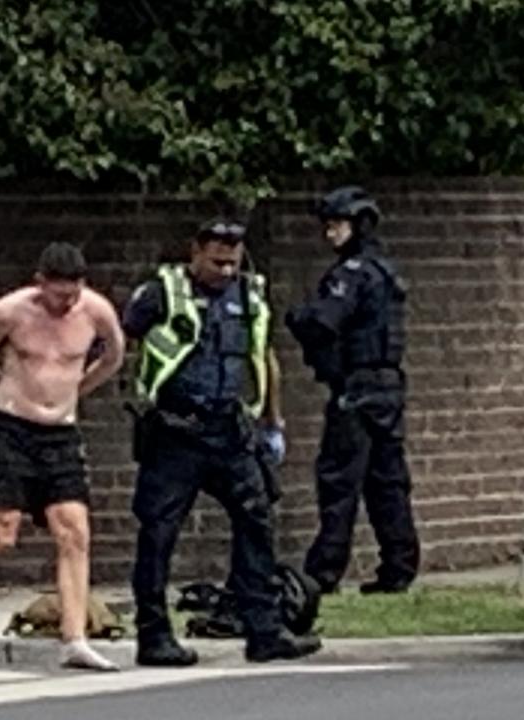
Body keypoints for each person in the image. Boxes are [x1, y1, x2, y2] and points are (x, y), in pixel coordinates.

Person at [121, 215, 322, 666]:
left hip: (230, 431)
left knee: (257, 523)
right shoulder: (161, 293)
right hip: (175, 430)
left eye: (232, 262)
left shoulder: (249, 296)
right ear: (195, 252)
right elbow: (118, 339)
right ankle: (153, 637)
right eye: (217, 262)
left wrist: (274, 423)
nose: (226, 271)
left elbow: (263, 356)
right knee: (158, 532)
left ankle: (264, 631)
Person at [0, 242, 126, 672]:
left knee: (74, 531)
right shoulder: (11, 311)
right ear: (40, 285)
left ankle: (75, 637)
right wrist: (6, 387)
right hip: (11, 429)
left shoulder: (96, 312)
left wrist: (78, 390)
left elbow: (114, 356)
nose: (65, 303)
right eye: (57, 295)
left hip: (61, 433)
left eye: (72, 294)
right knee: (2, 533)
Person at [286, 185, 420, 595]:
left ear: (358, 224)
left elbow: (324, 322)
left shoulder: (351, 275)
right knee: (388, 481)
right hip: (388, 389)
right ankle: (399, 566)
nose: (330, 234)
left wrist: (298, 315)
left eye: (337, 225)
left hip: (357, 390)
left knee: (339, 480)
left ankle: (324, 571)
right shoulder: (385, 271)